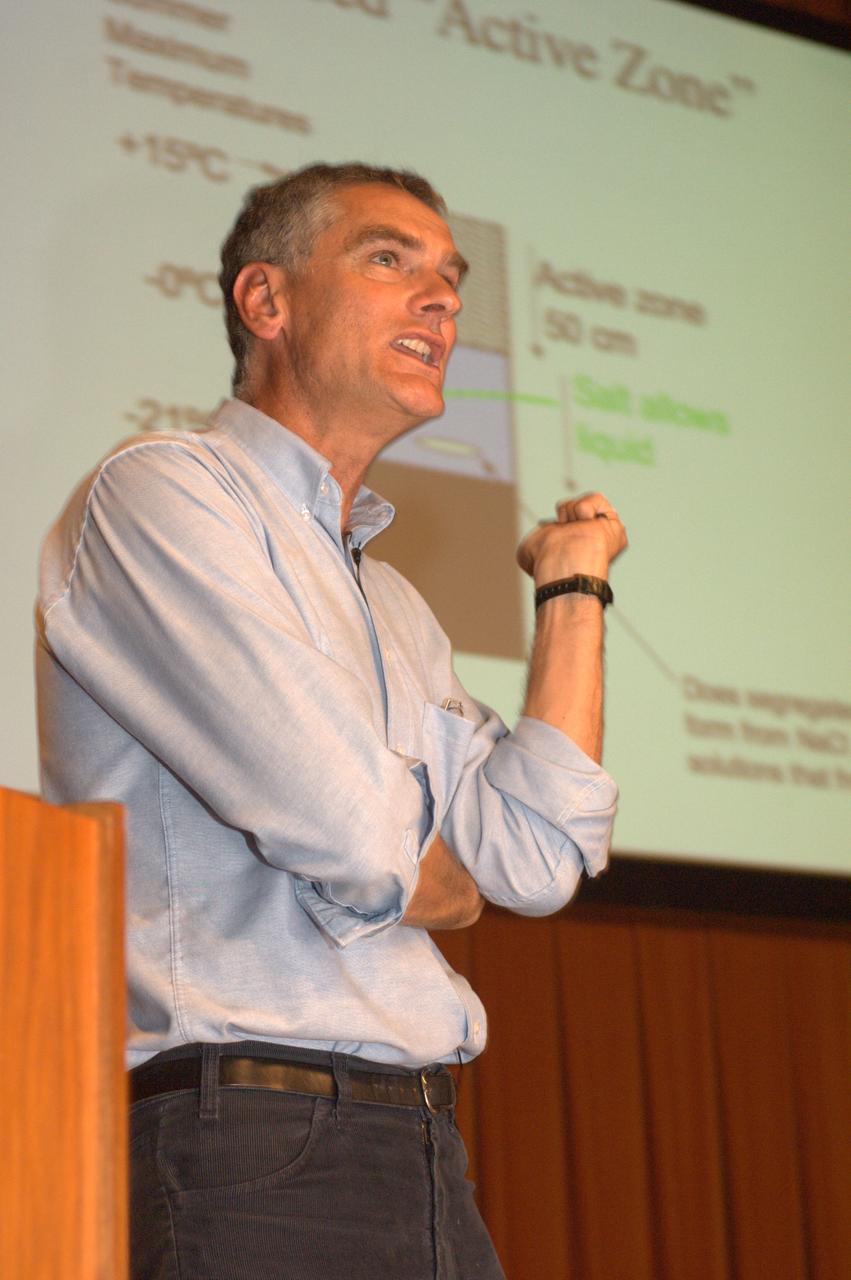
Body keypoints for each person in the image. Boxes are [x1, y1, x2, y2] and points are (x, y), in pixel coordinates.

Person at [36, 162, 627, 1279]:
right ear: (265, 301)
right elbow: (357, 835)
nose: (442, 299)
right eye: (389, 260)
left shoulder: (391, 601)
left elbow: (536, 858)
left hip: (420, 1142)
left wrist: (570, 586)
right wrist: (422, 866)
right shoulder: (161, 492)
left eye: (450, 277)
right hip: (247, 1140)